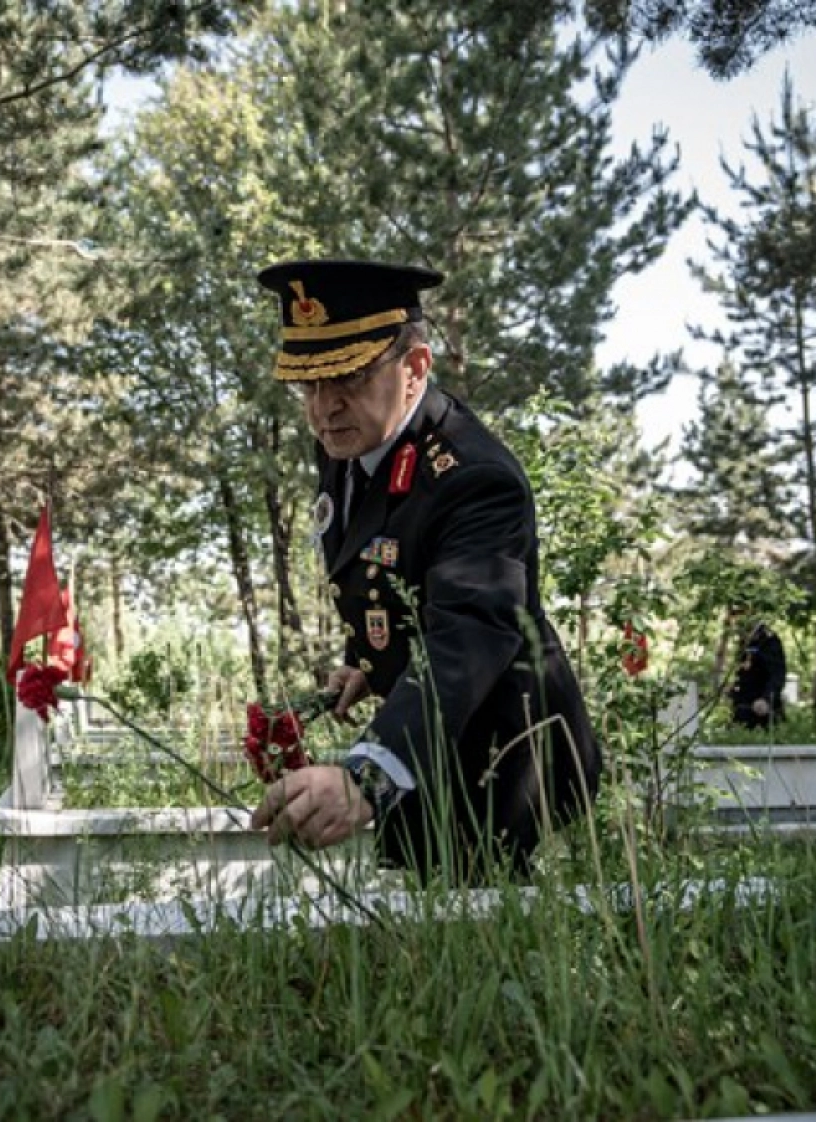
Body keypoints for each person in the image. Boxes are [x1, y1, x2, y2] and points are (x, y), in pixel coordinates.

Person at [248, 258, 601, 880]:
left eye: (348, 379)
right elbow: (381, 558)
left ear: (414, 369)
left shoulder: (474, 477)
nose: (324, 408)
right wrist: (367, 656)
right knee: (420, 929)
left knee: (483, 921)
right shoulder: (352, 435)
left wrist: (367, 771)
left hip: (502, 758)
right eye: (308, 384)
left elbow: (465, 631)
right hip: (419, 736)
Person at [729, 614, 787, 729]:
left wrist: (766, 699)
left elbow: (777, 674)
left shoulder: (769, 641)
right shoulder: (745, 641)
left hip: (762, 710)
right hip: (742, 707)